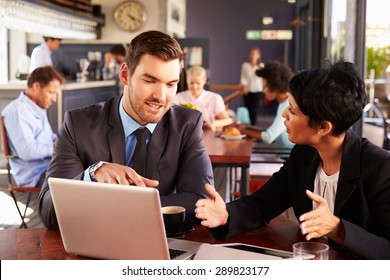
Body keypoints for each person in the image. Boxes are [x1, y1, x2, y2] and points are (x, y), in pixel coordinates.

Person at [195, 61, 390, 259]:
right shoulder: (304, 154)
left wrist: (337, 228)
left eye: (293, 111)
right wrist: (225, 215)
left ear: (323, 127)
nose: (284, 115)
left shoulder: (381, 168)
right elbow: (262, 204)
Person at [38, 30, 213, 229]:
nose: (161, 96)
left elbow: (201, 202)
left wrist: (120, 210)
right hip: (93, 244)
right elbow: (49, 210)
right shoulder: (78, 124)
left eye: (171, 84)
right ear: (125, 74)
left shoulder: (187, 124)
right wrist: (92, 175)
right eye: (149, 81)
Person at [1, 66, 63, 187]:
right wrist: (58, 148)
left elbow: (48, 138)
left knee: (87, 170)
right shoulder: (17, 111)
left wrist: (63, 141)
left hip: (48, 168)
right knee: (80, 178)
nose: (54, 99)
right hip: (35, 176)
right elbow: (27, 151)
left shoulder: (38, 107)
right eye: (51, 92)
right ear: (36, 86)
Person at [235, 61, 294, 150]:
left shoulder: (287, 105)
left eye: (265, 86)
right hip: (281, 155)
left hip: (285, 158)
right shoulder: (285, 102)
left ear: (276, 85)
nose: (263, 91)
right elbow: (271, 132)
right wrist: (246, 128)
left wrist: (242, 130)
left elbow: (268, 137)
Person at [174, 65, 232, 129]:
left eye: (198, 83)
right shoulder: (178, 98)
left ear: (204, 81)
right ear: (187, 80)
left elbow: (228, 120)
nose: (194, 87)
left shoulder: (214, 98)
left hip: (207, 134)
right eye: (191, 83)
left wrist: (213, 123)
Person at [239, 47, 264, 126]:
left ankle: (253, 126)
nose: (252, 56)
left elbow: (262, 79)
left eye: (254, 54)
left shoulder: (261, 66)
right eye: (251, 54)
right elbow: (243, 78)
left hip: (257, 91)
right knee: (247, 108)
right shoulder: (245, 65)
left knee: (254, 109)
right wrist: (243, 87)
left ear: (258, 56)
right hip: (247, 91)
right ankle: (247, 126)